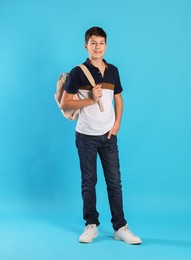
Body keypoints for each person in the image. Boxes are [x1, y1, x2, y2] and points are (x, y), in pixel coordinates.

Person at [60, 26, 142, 244]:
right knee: (89, 181)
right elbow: (65, 102)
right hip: (85, 136)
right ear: (86, 46)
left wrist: (116, 126)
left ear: (106, 45)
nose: (97, 47)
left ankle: (120, 227)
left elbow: (119, 99)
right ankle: (91, 225)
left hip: (108, 136)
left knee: (115, 182)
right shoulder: (78, 72)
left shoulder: (113, 70)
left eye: (101, 43)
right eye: (93, 43)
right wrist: (90, 100)